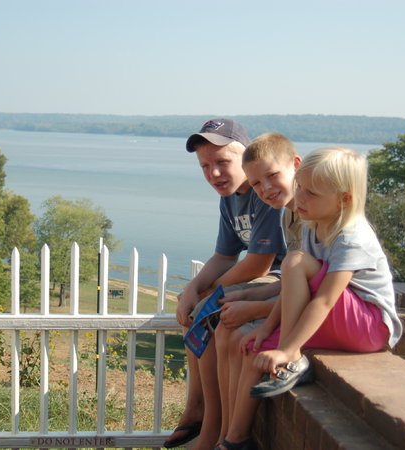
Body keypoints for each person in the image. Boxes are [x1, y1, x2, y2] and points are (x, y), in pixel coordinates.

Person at [219, 147, 403, 450]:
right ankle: (235, 440)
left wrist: (287, 348)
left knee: (293, 262)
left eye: (312, 193)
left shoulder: (351, 236)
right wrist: (265, 329)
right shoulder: (311, 227)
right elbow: (294, 291)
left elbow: (325, 300)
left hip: (369, 326)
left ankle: (292, 358)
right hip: (339, 320)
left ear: (344, 199)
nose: (300, 197)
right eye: (300, 187)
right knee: (253, 350)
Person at [166, 119, 287, 449]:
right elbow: (224, 255)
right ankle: (197, 407)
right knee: (195, 309)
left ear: (245, 158)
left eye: (222, 162)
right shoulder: (230, 197)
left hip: (279, 277)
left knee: (211, 311)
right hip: (260, 276)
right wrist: (193, 289)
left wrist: (212, 291)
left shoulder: (264, 193)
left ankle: (211, 429)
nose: (214, 174)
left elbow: (259, 263)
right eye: (205, 166)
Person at [214, 132, 301, 448]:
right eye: (256, 184)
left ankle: (234, 437)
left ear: (296, 165)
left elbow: (316, 290)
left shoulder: (309, 216)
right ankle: (225, 432)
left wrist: (258, 309)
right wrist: (249, 296)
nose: (265, 188)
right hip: (292, 301)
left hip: (326, 314)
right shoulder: (290, 214)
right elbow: (293, 282)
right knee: (231, 330)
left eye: (273, 176)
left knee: (246, 342)